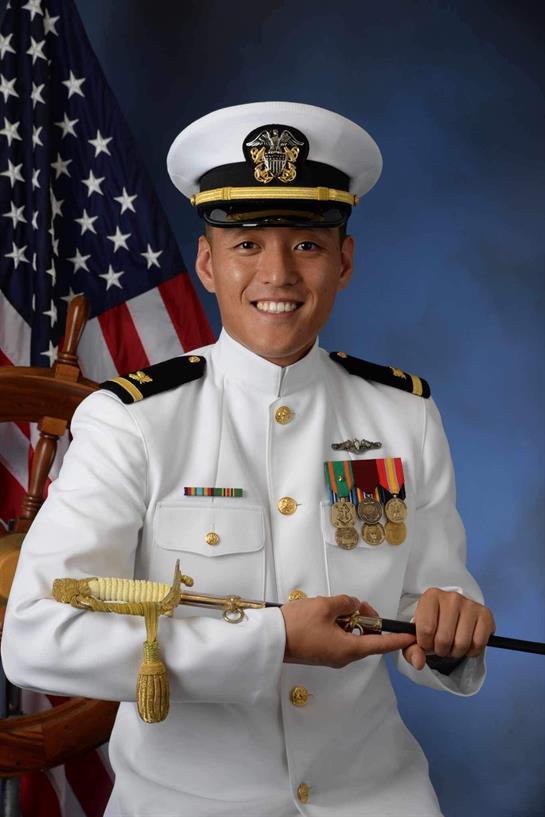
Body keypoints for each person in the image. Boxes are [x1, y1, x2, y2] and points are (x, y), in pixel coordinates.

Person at [2, 102, 495, 817]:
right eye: (247, 244)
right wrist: (268, 641)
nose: (278, 273)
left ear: (344, 261)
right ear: (207, 262)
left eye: (305, 245)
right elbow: (36, 635)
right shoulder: (132, 420)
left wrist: (449, 634)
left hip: (378, 798)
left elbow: (428, 604)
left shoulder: (403, 416)